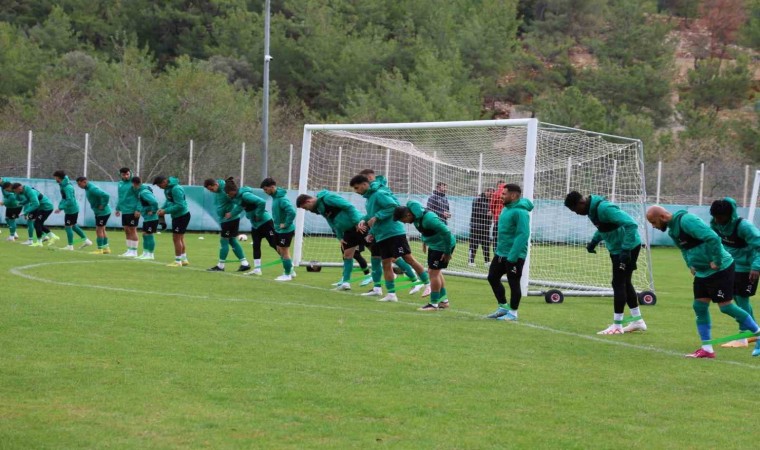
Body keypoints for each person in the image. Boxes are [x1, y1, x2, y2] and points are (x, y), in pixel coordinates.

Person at [646, 205, 760, 358]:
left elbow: (712, 237)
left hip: (720, 269)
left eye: (653, 222)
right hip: (702, 272)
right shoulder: (673, 231)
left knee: (726, 307)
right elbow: (684, 249)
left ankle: (758, 333)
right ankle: (707, 349)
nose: (653, 226)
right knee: (699, 306)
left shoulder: (687, 220)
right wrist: (690, 264)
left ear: (662, 217)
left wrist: (717, 260)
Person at [564, 191, 647, 334]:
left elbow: (631, 224)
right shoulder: (592, 211)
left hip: (627, 247)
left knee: (618, 283)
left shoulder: (605, 208)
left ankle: (617, 325)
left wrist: (626, 249)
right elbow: (604, 228)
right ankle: (638, 321)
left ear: (581, 203)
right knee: (625, 282)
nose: (576, 213)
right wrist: (594, 242)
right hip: (617, 249)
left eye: (575, 210)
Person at [351, 174, 430, 302]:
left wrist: (377, 217)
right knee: (386, 263)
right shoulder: (369, 199)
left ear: (365, 184)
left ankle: (427, 283)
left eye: (357, 187)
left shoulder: (378, 194)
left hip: (394, 232)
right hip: (381, 235)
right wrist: (364, 223)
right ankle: (391, 294)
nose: (356, 191)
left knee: (408, 258)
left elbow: (393, 206)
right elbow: (372, 217)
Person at [710, 198, 760, 348]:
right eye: (715, 217)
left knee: (742, 299)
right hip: (730, 265)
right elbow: (712, 242)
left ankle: (743, 335)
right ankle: (752, 332)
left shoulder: (744, 227)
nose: (717, 220)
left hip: (748, 267)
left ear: (730, 214)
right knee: (737, 299)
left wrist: (756, 266)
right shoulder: (715, 224)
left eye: (721, 217)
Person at [297, 190, 367, 290]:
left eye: (305, 208)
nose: (307, 210)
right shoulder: (320, 208)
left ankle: (376, 283)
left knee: (377, 253)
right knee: (347, 255)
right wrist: (339, 237)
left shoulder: (328, 198)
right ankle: (346, 283)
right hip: (348, 231)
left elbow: (349, 207)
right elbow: (331, 221)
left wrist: (357, 222)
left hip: (359, 226)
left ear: (308, 201)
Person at [394, 200, 455, 310]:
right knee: (435, 272)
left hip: (443, 246)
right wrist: (425, 241)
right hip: (434, 245)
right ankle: (444, 301)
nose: (404, 223)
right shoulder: (416, 217)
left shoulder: (429, 219)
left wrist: (447, 252)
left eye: (403, 220)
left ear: (408, 215)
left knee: (433, 273)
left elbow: (446, 232)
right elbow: (426, 230)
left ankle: (433, 304)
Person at [486, 184, 532, 321]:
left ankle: (513, 313)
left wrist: (513, 256)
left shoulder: (520, 212)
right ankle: (503, 307)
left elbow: (523, 234)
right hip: (501, 253)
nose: (501, 196)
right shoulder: (506, 208)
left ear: (513, 195)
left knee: (514, 283)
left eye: (504, 194)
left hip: (514, 255)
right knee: (492, 277)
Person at [226, 180, 276, 276]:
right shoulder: (237, 198)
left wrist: (258, 215)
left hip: (265, 222)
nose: (228, 195)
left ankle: (289, 266)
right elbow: (240, 207)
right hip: (255, 224)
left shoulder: (246, 195)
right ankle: (257, 270)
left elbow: (261, 202)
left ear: (233, 191)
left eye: (228, 193)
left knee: (274, 244)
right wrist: (231, 214)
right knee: (256, 245)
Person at [203, 178, 250, 272]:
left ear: (216, 184)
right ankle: (245, 263)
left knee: (224, 240)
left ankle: (221, 266)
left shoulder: (225, 191)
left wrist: (232, 213)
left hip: (230, 220)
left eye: (211, 189)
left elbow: (240, 203)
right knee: (232, 241)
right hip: (226, 220)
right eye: (209, 190)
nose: (211, 191)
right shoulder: (219, 191)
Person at [261, 177, 297, 281]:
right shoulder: (275, 197)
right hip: (278, 229)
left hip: (285, 230)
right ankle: (291, 270)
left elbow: (292, 212)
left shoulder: (282, 199)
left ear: (272, 187)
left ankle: (287, 275)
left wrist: (286, 224)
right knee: (279, 249)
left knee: (284, 251)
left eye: (266, 189)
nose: (265, 191)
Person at [153, 176, 191, 267]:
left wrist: (165, 211)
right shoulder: (167, 189)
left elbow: (180, 205)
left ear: (164, 181)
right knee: (180, 238)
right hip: (177, 215)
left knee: (176, 238)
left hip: (182, 215)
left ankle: (178, 261)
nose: (160, 187)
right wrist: (162, 208)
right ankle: (184, 259)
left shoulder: (176, 189)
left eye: (159, 185)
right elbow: (168, 201)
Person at [53, 171, 92, 250]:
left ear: (58, 177)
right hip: (70, 209)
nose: (55, 179)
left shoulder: (67, 187)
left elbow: (70, 200)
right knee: (73, 226)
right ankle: (86, 240)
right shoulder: (63, 185)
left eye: (55, 177)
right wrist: (61, 206)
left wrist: (61, 208)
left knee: (68, 226)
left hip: (71, 210)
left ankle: (70, 246)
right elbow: (64, 198)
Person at [13, 182, 58, 248]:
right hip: (42, 208)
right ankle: (52, 236)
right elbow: (28, 200)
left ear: (19, 188)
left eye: (15, 191)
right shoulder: (26, 191)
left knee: (37, 224)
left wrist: (26, 211)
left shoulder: (30, 192)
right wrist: (21, 203)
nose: (15, 193)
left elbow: (36, 204)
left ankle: (39, 243)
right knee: (38, 224)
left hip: (46, 208)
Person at [76, 177, 111, 253]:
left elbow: (106, 195)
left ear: (84, 182)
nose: (79, 186)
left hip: (103, 212)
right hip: (100, 212)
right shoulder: (88, 188)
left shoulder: (92, 189)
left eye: (79, 184)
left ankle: (100, 249)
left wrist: (103, 205)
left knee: (99, 230)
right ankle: (106, 248)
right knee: (102, 229)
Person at [132, 176, 159, 260]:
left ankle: (150, 254)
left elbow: (155, 202)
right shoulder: (142, 191)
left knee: (148, 234)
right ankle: (145, 253)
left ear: (134, 184)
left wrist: (153, 211)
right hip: (147, 217)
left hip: (152, 218)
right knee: (144, 234)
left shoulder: (144, 192)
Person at [115, 168, 140, 257]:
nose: (126, 176)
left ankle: (134, 251)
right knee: (126, 230)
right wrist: (118, 208)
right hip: (124, 210)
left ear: (130, 173)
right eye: (123, 175)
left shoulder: (134, 183)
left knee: (132, 230)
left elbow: (140, 197)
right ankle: (129, 250)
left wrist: (138, 209)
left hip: (132, 210)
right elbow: (120, 197)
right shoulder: (120, 184)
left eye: (127, 174)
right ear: (120, 175)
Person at [469, 188, 493, 266]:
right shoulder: (477, 199)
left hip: (486, 226)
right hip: (476, 225)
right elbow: (475, 211)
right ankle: (471, 261)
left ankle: (487, 261)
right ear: (486, 192)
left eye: (492, 193)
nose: (491, 194)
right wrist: (487, 213)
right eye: (489, 192)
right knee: (474, 243)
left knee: (486, 244)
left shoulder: (491, 201)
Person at [489, 180, 507, 255]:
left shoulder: (495, 194)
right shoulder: (509, 194)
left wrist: (494, 216)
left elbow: (492, 207)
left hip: (498, 219)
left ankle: (496, 255)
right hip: (507, 220)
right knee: (505, 239)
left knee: (496, 239)